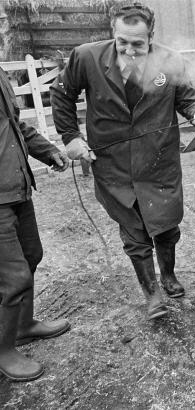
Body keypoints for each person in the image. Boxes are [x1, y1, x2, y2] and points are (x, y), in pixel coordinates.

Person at [50, 2, 195, 320]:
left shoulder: (169, 60)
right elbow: (61, 93)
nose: (129, 50)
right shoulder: (86, 57)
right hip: (113, 165)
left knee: (167, 228)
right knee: (133, 232)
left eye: (138, 44)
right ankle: (152, 293)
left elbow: (187, 99)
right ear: (112, 33)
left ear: (150, 37)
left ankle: (167, 275)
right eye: (122, 42)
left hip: (158, 162)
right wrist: (70, 137)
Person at [0, 66, 71, 382]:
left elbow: (14, 126)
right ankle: (3, 350)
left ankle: (24, 327)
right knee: (11, 277)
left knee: (31, 255)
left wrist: (48, 151)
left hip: (16, 187)